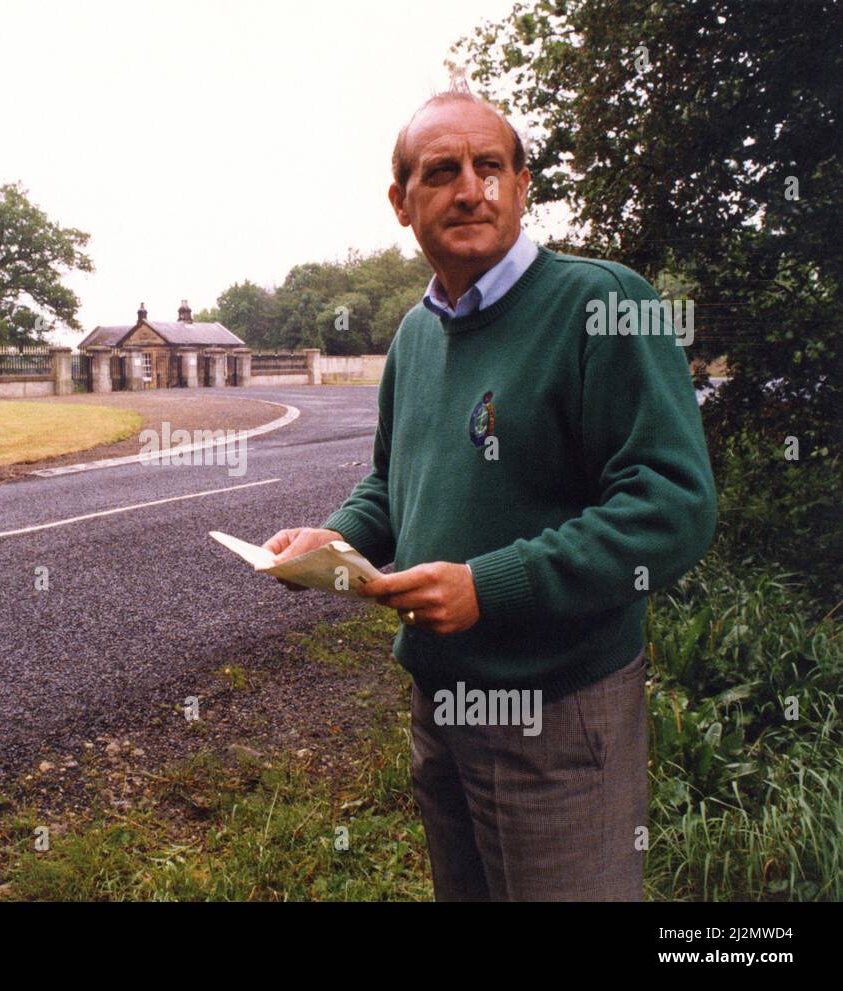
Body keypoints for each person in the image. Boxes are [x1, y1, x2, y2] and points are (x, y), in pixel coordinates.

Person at [265, 83, 717, 901]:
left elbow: (673, 504)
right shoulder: (414, 333)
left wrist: (489, 586)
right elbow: (391, 483)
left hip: (557, 712)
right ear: (402, 203)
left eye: (490, 166)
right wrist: (334, 542)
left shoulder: (606, 304)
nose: (470, 188)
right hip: (442, 706)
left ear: (522, 185)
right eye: (442, 171)